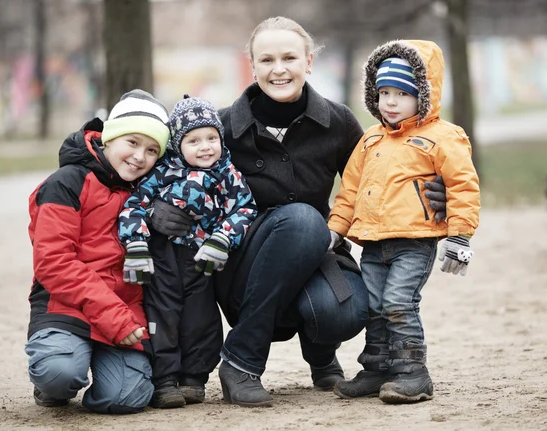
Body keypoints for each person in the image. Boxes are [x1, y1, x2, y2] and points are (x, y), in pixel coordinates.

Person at [146, 17, 448, 408]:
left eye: (289, 57)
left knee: (346, 309)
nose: (279, 68)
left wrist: (426, 187)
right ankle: (241, 360)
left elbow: (378, 173)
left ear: (308, 61)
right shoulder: (218, 128)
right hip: (239, 267)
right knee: (303, 218)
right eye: (267, 59)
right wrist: (153, 209)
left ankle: (321, 353)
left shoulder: (337, 121)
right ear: (252, 67)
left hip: (316, 257)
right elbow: (151, 169)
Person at [328, 40, 481, 404]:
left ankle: (413, 372)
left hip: (414, 240)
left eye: (402, 93)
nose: (391, 102)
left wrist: (460, 237)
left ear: (423, 95)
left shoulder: (443, 137)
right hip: (374, 243)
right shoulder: (370, 139)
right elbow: (350, 189)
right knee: (374, 305)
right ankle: (378, 367)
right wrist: (335, 228)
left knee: (398, 301)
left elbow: (462, 185)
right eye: (383, 93)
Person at [25, 89, 171, 414]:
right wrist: (114, 317)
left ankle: (102, 367)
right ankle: (56, 375)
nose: (139, 157)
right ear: (109, 137)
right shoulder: (65, 183)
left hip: (126, 309)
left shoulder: (152, 193)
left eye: (151, 150)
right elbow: (54, 262)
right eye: (132, 142)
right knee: (58, 374)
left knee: (126, 397)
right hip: (66, 305)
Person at [118, 95, 257, 409]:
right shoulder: (163, 172)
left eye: (211, 138)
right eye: (194, 140)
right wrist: (136, 244)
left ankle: (194, 377)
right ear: (177, 145)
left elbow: (245, 209)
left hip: (202, 259)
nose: (205, 146)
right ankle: (164, 379)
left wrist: (222, 238)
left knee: (201, 318)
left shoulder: (228, 175)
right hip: (163, 258)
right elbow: (133, 207)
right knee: (162, 315)